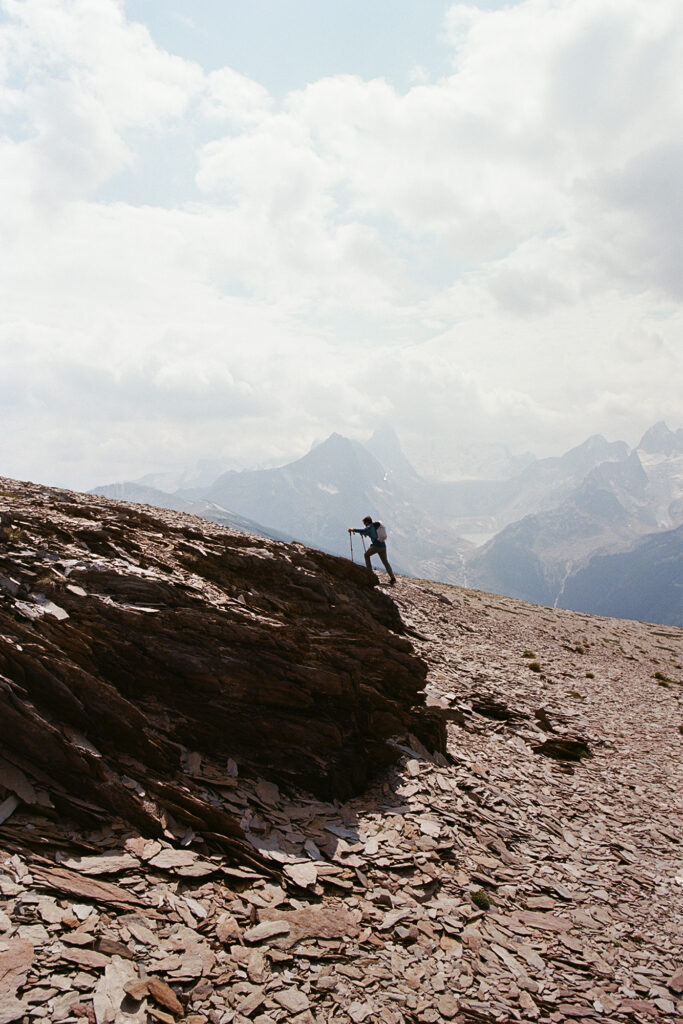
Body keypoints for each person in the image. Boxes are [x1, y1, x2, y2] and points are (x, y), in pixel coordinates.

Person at [348, 516, 396, 585]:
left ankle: (369, 573)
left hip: (376, 546)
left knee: (366, 555)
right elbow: (369, 533)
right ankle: (393, 578)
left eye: (364, 523)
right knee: (385, 562)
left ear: (367, 522)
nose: (364, 525)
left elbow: (364, 531)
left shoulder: (370, 527)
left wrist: (353, 529)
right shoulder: (375, 526)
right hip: (383, 546)